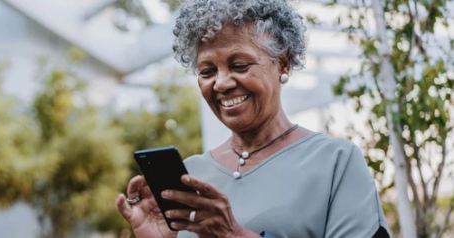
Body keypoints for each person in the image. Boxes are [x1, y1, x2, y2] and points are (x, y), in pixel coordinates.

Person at [115, 0, 390, 237]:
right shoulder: (191, 174)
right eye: (207, 71)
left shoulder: (335, 162)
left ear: (283, 62)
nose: (221, 83)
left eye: (239, 66)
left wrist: (233, 234)